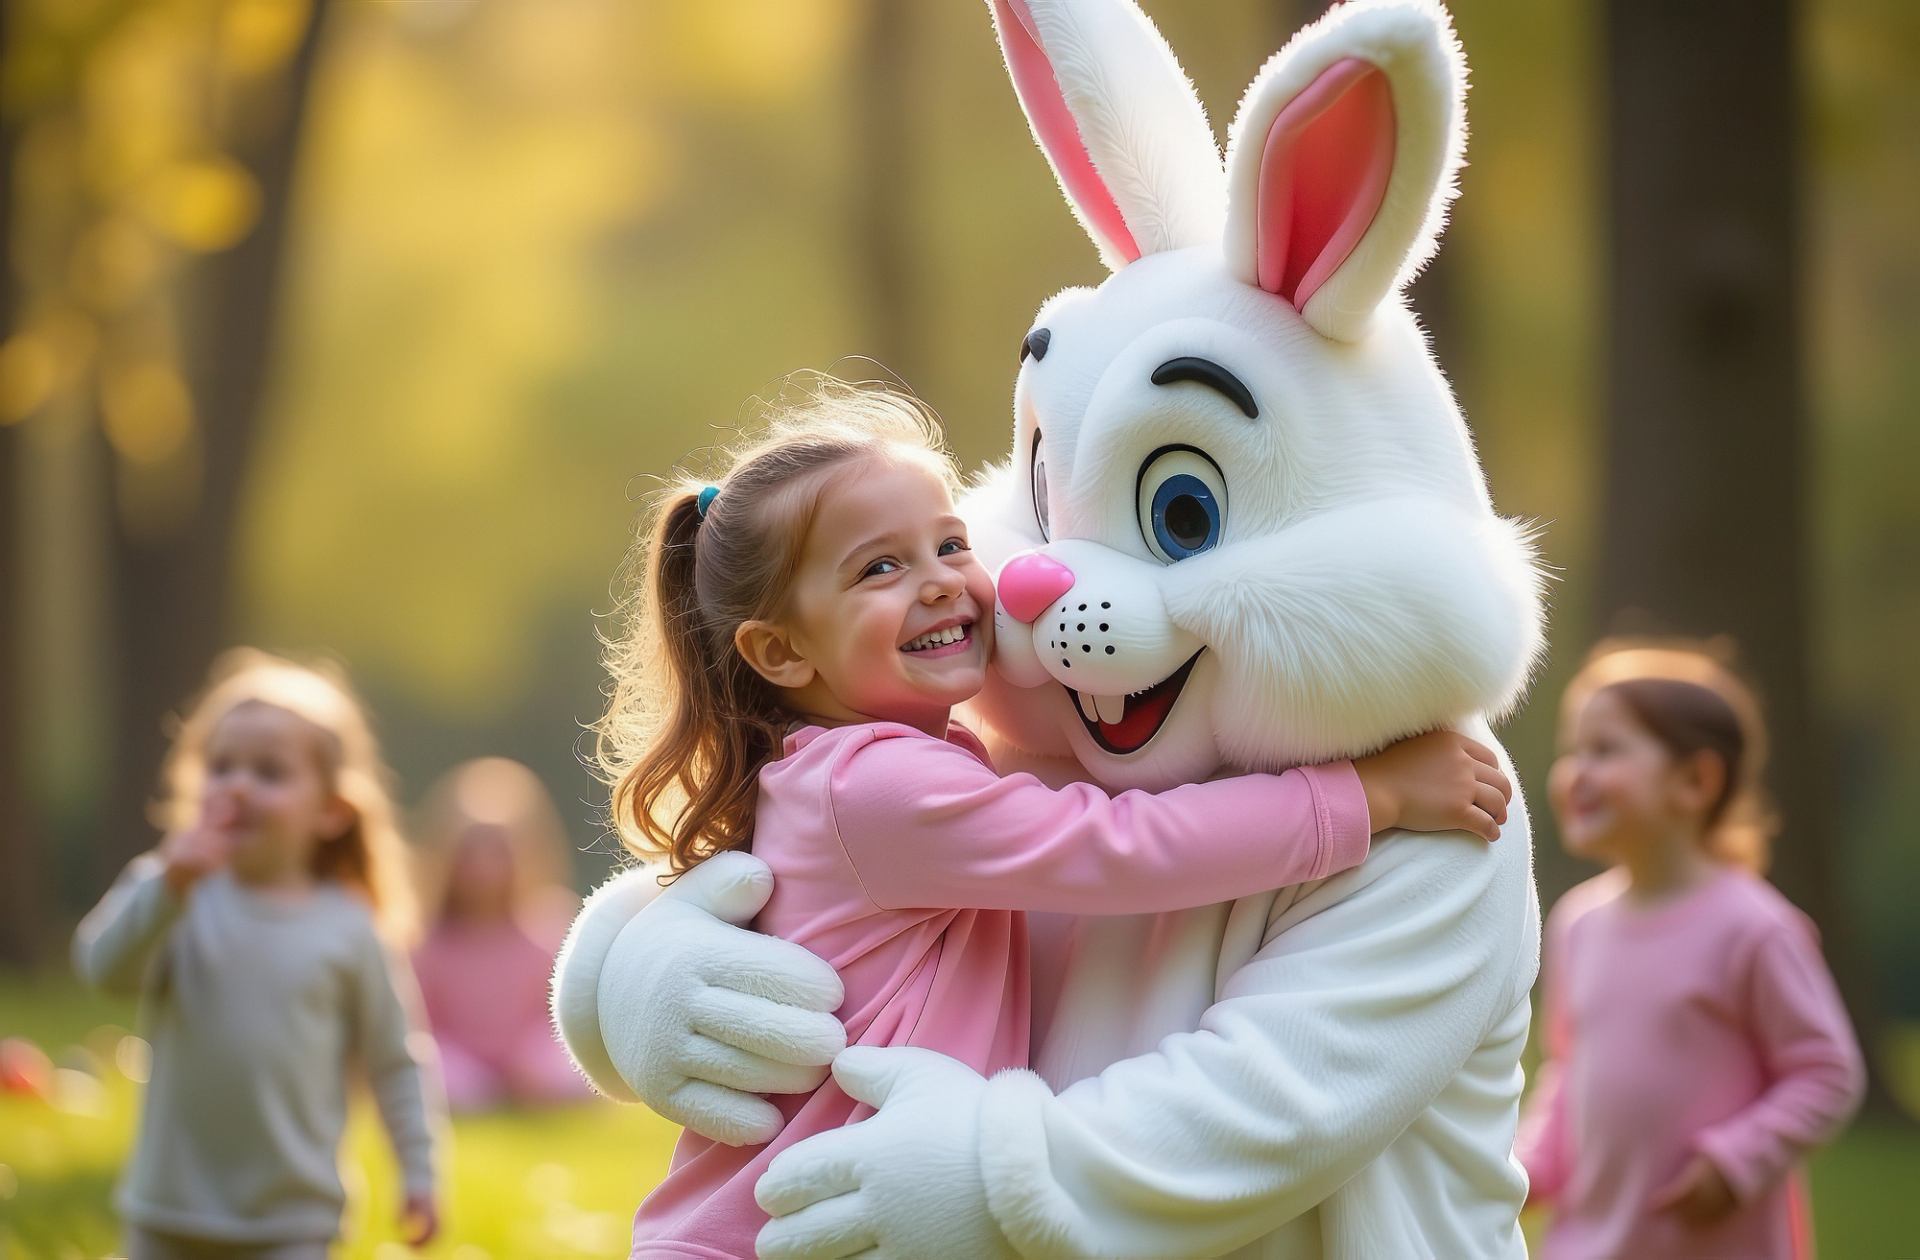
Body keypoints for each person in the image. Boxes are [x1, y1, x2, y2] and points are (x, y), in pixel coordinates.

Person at [592, 379, 1514, 1257]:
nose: (943, 582)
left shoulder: (867, 770)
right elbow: (1111, 849)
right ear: (781, 652)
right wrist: (1367, 796)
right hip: (773, 1234)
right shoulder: (877, 789)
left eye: (951, 544)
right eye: (880, 567)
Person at [73, 649, 444, 1260]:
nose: (238, 785)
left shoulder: (349, 928)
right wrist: (168, 885)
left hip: (292, 1220)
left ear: (330, 811)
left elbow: (394, 1062)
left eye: (269, 773)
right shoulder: (172, 892)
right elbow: (102, 972)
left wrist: (420, 1173)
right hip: (168, 1209)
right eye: (221, 767)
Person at [1517, 642, 1865, 1259]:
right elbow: (1570, 1071)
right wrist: (1529, 1167)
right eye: (1574, 750)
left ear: (1695, 780)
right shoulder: (1578, 924)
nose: (1576, 772)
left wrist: (1737, 1161)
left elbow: (1826, 1072)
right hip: (1591, 1241)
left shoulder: (1753, 928)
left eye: (1605, 749)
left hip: (1711, 1242)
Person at [412, 756, 587, 1110]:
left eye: (498, 852)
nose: (484, 868)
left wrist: (523, 1058)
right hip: (459, 1064)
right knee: (437, 1072)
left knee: (558, 1066)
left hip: (527, 1060)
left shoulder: (548, 928)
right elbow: (422, 1023)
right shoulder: (428, 942)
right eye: (471, 853)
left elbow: (561, 1015)